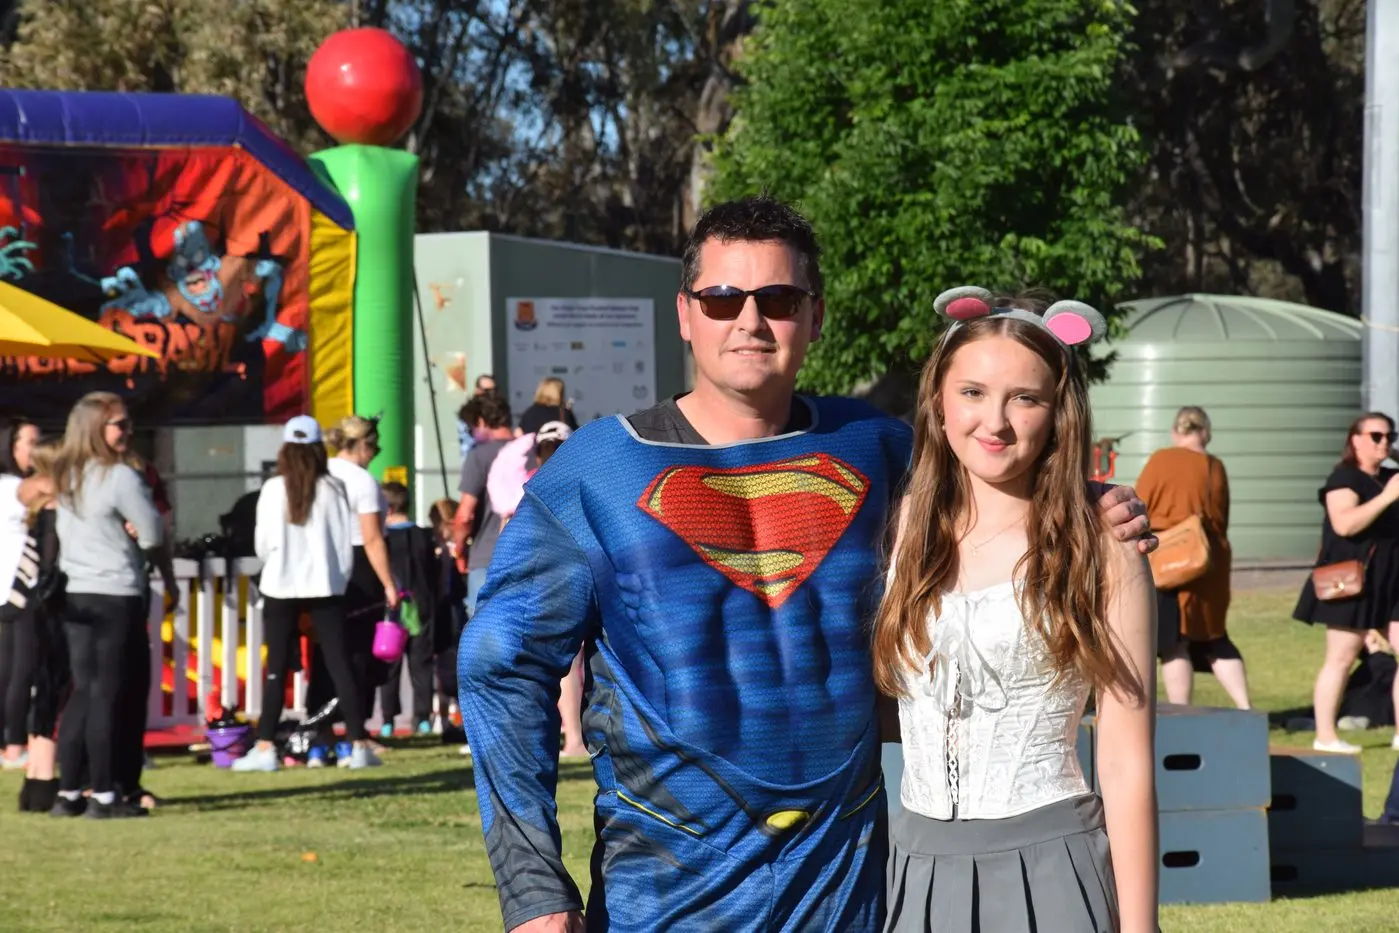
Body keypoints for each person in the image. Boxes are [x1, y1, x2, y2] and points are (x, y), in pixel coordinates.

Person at [457, 196, 1154, 933]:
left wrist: (1090, 501)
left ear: (815, 316)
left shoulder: (876, 449)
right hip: (664, 898)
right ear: (685, 312)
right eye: (722, 298)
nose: (750, 321)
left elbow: (997, 465)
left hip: (848, 893)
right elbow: (499, 666)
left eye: (779, 299)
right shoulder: (597, 470)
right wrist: (533, 887)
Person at [874, 288, 1158, 933]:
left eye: (1025, 398)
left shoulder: (1104, 545)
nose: (994, 421)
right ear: (939, 403)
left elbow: (1125, 761)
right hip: (914, 867)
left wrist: (1142, 928)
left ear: (1059, 414)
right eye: (972, 392)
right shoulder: (904, 524)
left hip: (1053, 866)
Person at [51, 392, 176, 819]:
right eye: (119, 424)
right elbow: (155, 533)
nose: (128, 431)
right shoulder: (119, 477)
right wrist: (134, 531)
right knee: (106, 693)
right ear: (96, 429)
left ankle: (69, 792)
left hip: (76, 593)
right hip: (114, 592)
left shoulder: (68, 475)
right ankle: (105, 795)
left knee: (82, 694)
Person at [232, 416, 380, 771]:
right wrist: (338, 579)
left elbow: (263, 544)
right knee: (338, 662)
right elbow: (345, 544)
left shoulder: (272, 489)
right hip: (325, 585)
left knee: (277, 666)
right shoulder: (333, 489)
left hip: (281, 585)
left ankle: (266, 747)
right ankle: (358, 743)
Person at [1293, 412, 1399, 754]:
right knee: (1340, 658)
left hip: (1392, 580)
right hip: (1353, 581)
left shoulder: (1390, 477)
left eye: (1389, 437)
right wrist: (1387, 498)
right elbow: (1344, 525)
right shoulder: (1345, 479)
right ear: (1355, 439)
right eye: (1376, 436)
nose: (1384, 443)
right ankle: (1325, 735)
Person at [1136, 406, 1249, 709]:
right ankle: (1246, 708)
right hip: (1208, 562)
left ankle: (1181, 711)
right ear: (1206, 432)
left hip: (1168, 560)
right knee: (1215, 639)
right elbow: (1221, 518)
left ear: (1176, 432)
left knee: (1174, 643)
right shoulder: (1216, 466)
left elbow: (1139, 502)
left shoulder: (1162, 459)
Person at [318, 415, 399, 742]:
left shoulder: (322, 472)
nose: (375, 453)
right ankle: (357, 725)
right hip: (359, 565)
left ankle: (322, 721)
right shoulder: (361, 481)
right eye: (375, 446)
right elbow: (372, 538)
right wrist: (389, 583)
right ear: (364, 444)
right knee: (359, 652)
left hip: (325, 564)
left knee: (329, 651)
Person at [377, 481, 440, 737]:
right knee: (421, 665)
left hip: (391, 610)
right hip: (422, 607)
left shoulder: (383, 539)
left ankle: (388, 720)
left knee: (389, 666)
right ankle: (422, 718)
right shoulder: (423, 536)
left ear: (387, 508)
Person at [451, 393, 515, 618]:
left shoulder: (479, 456)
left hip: (487, 556)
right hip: (529, 556)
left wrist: (459, 549)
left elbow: (465, 515)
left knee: (482, 633)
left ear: (480, 422)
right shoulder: (530, 450)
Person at [0, 417, 39, 769]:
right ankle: (13, 745)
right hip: (18, 588)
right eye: (31, 442)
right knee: (19, 670)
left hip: (9, 589)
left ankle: (7, 744)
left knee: (8, 669)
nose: (37, 450)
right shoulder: (15, 488)